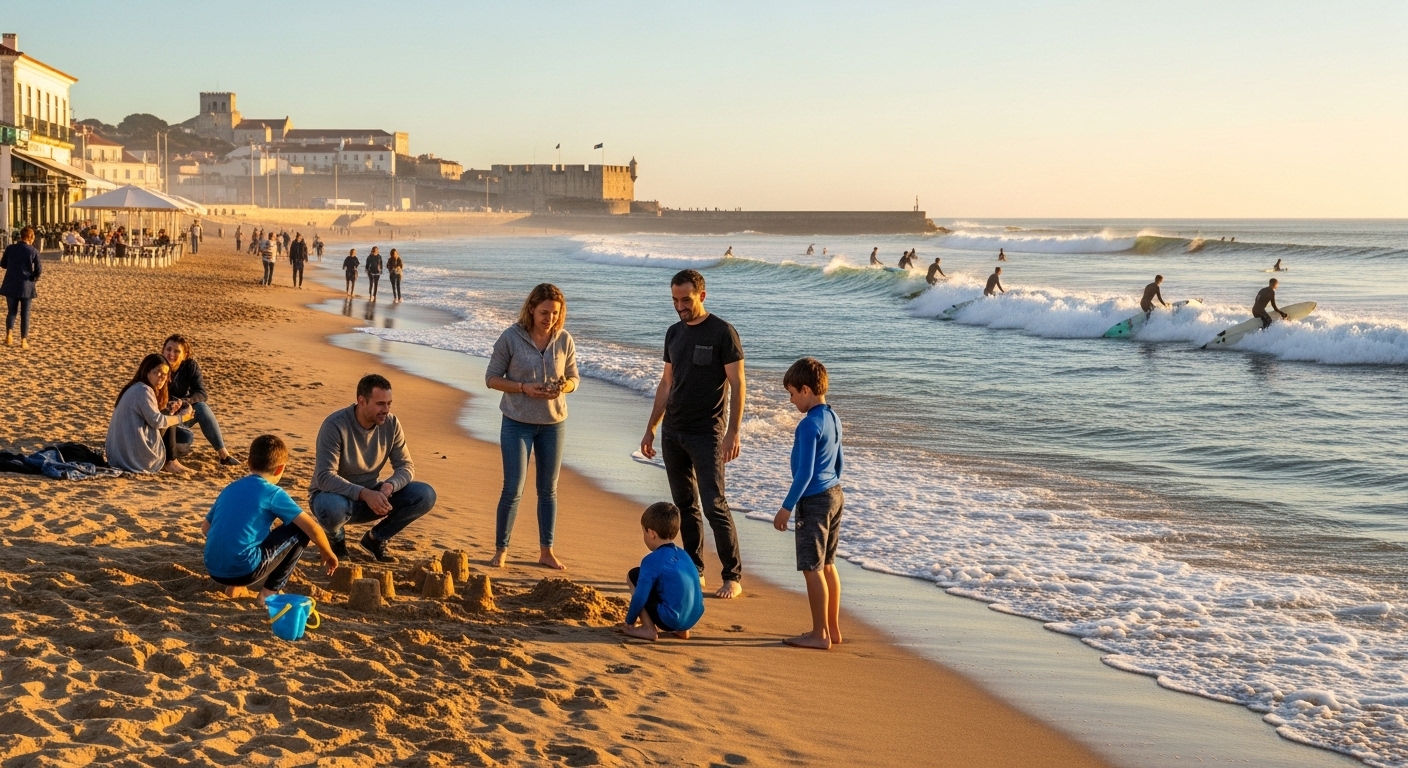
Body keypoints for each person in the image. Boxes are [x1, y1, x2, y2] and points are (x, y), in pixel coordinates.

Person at [640, 269, 746, 599]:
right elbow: (666, 384)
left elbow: (738, 384)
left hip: (707, 434)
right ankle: (696, 570)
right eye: (674, 300)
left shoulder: (723, 333)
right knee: (685, 504)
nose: (680, 306)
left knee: (714, 504)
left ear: (702, 295)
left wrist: (733, 433)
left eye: (685, 299)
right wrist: (651, 428)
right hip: (674, 431)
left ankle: (732, 576)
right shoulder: (674, 333)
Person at [485, 284, 580, 570]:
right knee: (513, 488)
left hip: (554, 423)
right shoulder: (511, 338)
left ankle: (546, 551)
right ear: (531, 309)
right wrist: (523, 387)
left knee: (548, 490)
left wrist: (566, 386)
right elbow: (491, 378)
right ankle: (501, 549)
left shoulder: (564, 339)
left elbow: (575, 377)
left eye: (555, 313)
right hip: (517, 422)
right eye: (544, 312)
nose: (549, 318)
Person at [310, 374, 437, 562]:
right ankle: (337, 543)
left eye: (389, 404)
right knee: (332, 507)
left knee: (425, 495)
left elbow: (406, 466)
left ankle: (375, 539)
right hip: (331, 497)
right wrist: (364, 494)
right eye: (380, 404)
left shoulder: (391, 423)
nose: (386, 410)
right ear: (361, 401)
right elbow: (324, 476)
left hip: (371, 497)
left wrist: (390, 486)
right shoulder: (335, 425)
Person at [203, 435, 338, 599]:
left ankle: (234, 589)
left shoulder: (231, 488)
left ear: (249, 462)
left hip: (213, 568)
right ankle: (269, 593)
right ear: (280, 469)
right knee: (300, 529)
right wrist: (327, 551)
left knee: (248, 533)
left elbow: (206, 528)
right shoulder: (273, 493)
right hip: (244, 571)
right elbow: (313, 528)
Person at [772, 358, 844, 650]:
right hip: (834, 494)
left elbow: (805, 471)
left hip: (813, 500)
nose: (791, 400)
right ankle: (833, 629)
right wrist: (831, 486)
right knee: (828, 564)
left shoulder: (808, 425)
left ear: (805, 389)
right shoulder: (833, 418)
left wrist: (787, 507)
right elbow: (839, 461)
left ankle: (819, 634)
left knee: (811, 568)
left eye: (792, 394)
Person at [621, 502, 704, 641]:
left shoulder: (651, 560)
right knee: (674, 584)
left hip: (670, 621)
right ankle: (683, 630)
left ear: (652, 533)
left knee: (634, 575)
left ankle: (648, 629)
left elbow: (640, 597)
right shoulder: (684, 555)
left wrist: (629, 621)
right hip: (694, 616)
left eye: (644, 532)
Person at [106, 354, 195, 474]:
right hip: (134, 459)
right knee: (177, 428)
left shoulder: (133, 387)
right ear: (147, 371)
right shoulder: (144, 390)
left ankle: (171, 460)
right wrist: (181, 417)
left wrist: (171, 412)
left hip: (117, 457)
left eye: (165, 374)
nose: (162, 377)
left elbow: (151, 417)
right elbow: (157, 421)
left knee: (174, 423)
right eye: (158, 372)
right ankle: (171, 463)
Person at [162, 333, 240, 466]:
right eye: (168, 349)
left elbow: (201, 393)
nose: (171, 354)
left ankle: (224, 455)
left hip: (180, 415)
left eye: (176, 351)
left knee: (201, 407)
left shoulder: (190, 366)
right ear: (163, 350)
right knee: (186, 439)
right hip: (161, 418)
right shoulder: (157, 367)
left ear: (185, 355)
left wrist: (186, 402)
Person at [2, 226, 41, 349]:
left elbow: (3, 264)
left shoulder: (10, 248)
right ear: (31, 237)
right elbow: (39, 270)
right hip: (26, 285)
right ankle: (23, 340)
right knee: (25, 313)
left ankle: (9, 335)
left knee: (12, 312)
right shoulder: (33, 251)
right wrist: (33, 278)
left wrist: (13, 266)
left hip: (11, 283)